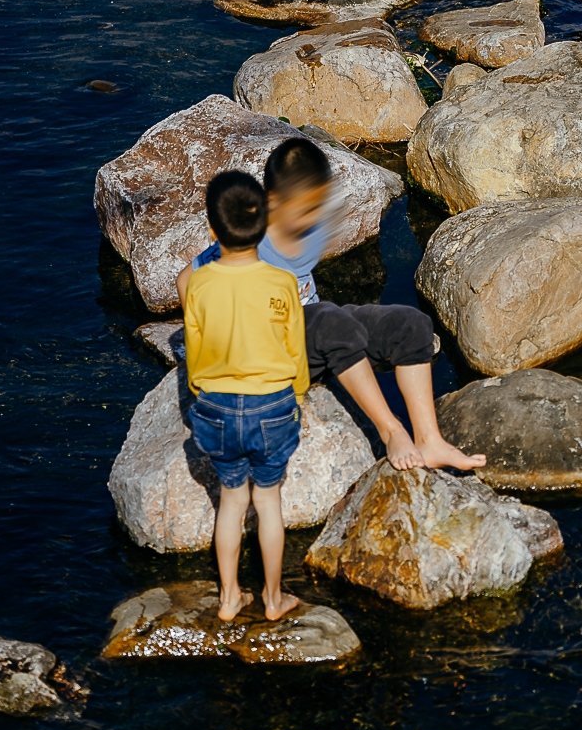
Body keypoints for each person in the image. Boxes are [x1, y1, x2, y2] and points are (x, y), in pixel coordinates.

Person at [177, 135, 485, 475]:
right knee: (330, 320)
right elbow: (185, 279)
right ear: (273, 201)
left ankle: (429, 440)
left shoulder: (312, 228)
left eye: (317, 206)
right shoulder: (247, 233)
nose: (313, 219)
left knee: (410, 323)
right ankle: (392, 430)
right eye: (305, 210)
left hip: (315, 337)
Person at [182, 169, 308, 623]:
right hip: (272, 405)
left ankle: (230, 597)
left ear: (213, 231)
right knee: (268, 501)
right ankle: (274, 599)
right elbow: (295, 350)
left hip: (216, 405)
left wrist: (202, 391)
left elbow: (195, 353)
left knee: (231, 502)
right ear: (265, 225)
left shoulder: (199, 283)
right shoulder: (281, 282)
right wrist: (298, 397)